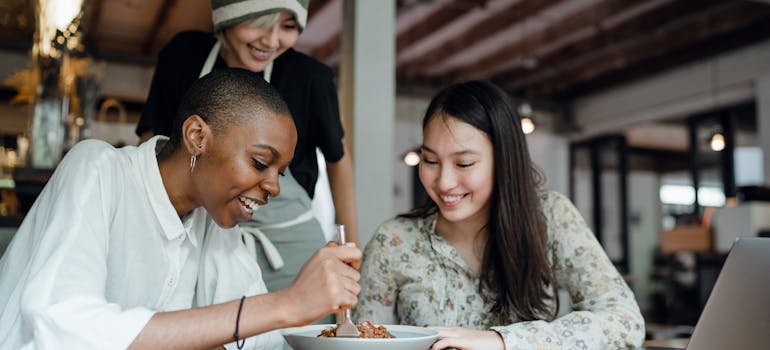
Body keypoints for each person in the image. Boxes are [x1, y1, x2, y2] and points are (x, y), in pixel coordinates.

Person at [0, 69, 362, 349]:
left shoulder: (213, 222)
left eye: (279, 172)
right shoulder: (98, 168)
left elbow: (258, 338)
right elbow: (64, 325)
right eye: (259, 162)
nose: (274, 186)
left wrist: (311, 310)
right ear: (197, 137)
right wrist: (286, 304)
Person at [354, 81, 645, 350]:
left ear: (504, 160)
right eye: (430, 161)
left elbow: (624, 321)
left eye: (464, 163)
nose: (444, 182)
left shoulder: (550, 217)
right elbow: (364, 344)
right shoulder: (393, 242)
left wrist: (503, 341)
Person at [134, 0, 358, 293]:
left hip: (285, 251)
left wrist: (350, 251)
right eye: (259, 23)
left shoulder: (310, 78)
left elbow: (337, 161)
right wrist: (140, 220)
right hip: (190, 238)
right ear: (227, 15)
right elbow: (152, 145)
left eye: (288, 26)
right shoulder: (182, 55)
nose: (272, 40)